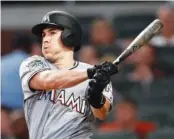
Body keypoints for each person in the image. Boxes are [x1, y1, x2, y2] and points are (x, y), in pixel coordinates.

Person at [19, 11, 118, 139]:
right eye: (44, 35)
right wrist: (89, 74)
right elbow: (47, 80)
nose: (45, 39)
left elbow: (101, 114)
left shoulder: (96, 74)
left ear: (70, 36)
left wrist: (96, 97)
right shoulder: (33, 63)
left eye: (52, 33)